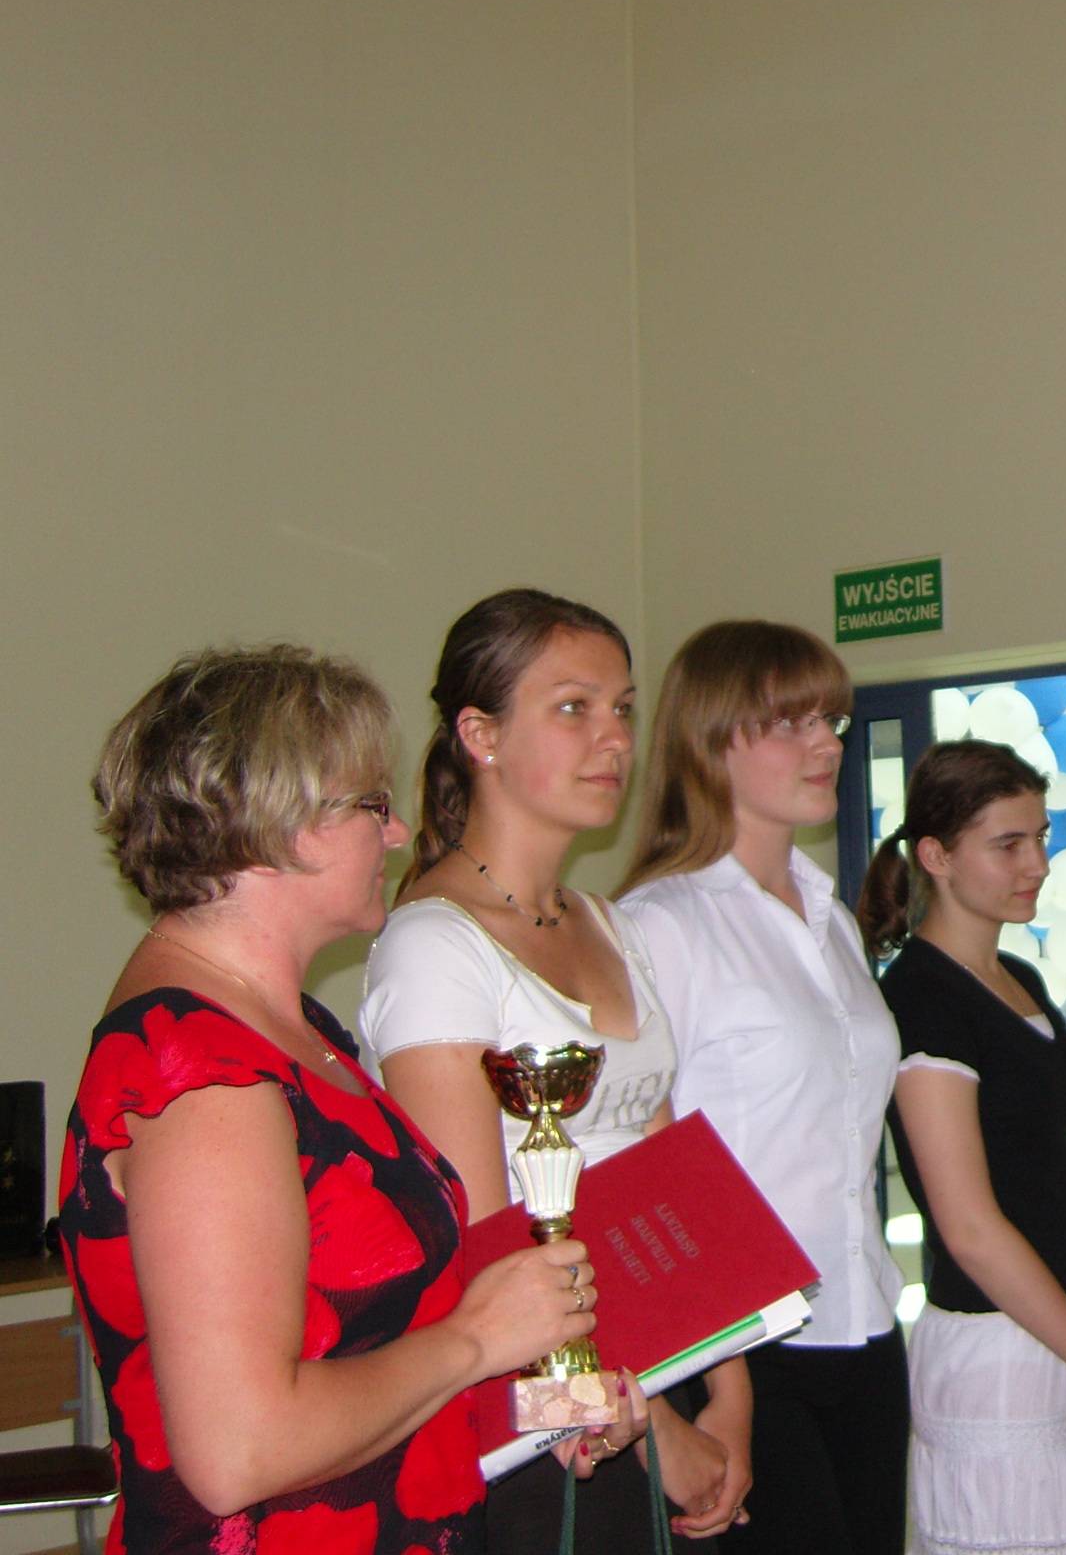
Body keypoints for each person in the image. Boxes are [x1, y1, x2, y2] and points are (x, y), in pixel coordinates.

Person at [58, 644, 600, 1555]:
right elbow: (240, 1449)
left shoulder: (292, 1032)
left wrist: (557, 1405)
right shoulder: (198, 1073)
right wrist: (478, 1341)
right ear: (285, 824)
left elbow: (382, 1355)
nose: (398, 834)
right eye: (373, 806)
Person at [360, 590, 749, 1551]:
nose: (613, 738)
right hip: (542, 1416)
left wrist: (730, 1390)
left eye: (623, 709)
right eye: (574, 708)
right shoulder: (435, 946)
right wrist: (654, 1435)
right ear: (480, 734)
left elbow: (670, 1173)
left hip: (658, 1376)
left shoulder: (606, 922)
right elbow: (486, 1253)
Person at [618, 620, 908, 1555]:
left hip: (864, 1320)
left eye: (833, 721)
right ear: (711, 742)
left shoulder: (832, 919)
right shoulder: (661, 924)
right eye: (793, 722)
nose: (827, 744)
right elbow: (642, 1167)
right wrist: (714, 1384)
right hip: (742, 1348)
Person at [858, 739, 1066, 1555]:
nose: (1039, 864)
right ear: (936, 856)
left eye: (1042, 837)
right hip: (998, 1352)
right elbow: (970, 1229)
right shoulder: (923, 999)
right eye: (1009, 844)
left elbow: (1064, 1166)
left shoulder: (1019, 975)